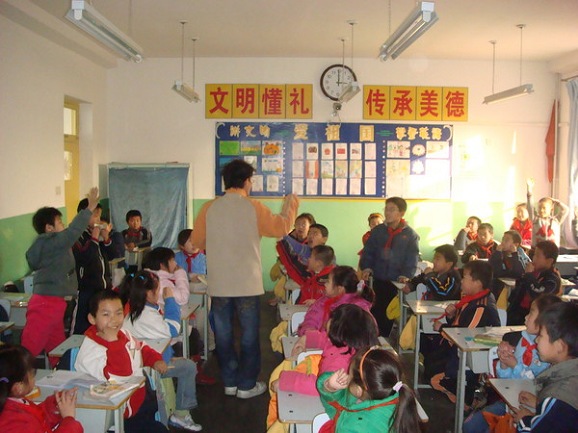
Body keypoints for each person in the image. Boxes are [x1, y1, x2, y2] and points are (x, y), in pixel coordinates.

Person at [192, 159, 299, 399]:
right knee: (249, 336)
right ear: (247, 181)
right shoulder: (254, 207)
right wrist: (290, 205)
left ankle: (229, 382)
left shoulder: (209, 208)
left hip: (219, 283)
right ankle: (246, 385)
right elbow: (282, 228)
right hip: (247, 284)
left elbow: (197, 241)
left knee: (224, 335)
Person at [266, 304, 379, 432]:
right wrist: (306, 340)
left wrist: (286, 381)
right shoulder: (347, 345)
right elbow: (325, 339)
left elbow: (317, 386)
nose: (328, 320)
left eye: (332, 318)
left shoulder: (340, 362)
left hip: (328, 408)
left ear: (339, 329)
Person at [20, 188, 98, 366]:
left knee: (57, 348)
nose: (64, 226)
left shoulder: (53, 244)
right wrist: (89, 209)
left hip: (55, 303)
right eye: (60, 222)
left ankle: (60, 372)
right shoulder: (51, 243)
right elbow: (73, 231)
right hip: (45, 304)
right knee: (29, 350)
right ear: (49, 228)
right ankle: (14, 377)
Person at [463, 294, 562, 433]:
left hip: (531, 409)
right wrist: (504, 363)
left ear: (544, 322)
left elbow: (533, 385)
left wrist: (515, 365)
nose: (525, 317)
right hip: (509, 402)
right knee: (470, 425)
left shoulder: (548, 354)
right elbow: (506, 381)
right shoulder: (522, 340)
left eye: (531, 314)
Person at [74, 290, 168, 433]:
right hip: (117, 415)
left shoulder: (123, 334)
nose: (114, 319)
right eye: (106, 314)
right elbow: (120, 376)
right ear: (92, 319)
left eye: (118, 313)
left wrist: (155, 360)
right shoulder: (90, 350)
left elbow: (141, 348)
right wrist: (113, 342)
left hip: (138, 401)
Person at [120, 271, 202, 432]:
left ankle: (179, 412)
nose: (159, 293)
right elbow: (173, 329)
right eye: (157, 290)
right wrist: (170, 299)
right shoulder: (145, 315)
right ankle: (181, 415)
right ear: (149, 294)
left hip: (149, 360)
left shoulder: (138, 309)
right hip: (147, 368)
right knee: (188, 367)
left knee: (181, 359)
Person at [428, 261, 501, 405]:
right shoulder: (471, 299)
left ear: (477, 283)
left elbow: (465, 336)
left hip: (470, 358)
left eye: (465, 277)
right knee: (430, 358)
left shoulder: (481, 306)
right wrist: (451, 316)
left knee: (433, 374)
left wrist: (442, 328)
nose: (461, 281)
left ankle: (467, 400)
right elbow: (460, 324)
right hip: (457, 350)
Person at [317, 348, 420, 433]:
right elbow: (342, 406)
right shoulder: (394, 396)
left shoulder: (354, 428)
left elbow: (340, 412)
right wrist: (329, 387)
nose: (347, 378)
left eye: (349, 376)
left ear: (358, 390)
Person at [513, 302, 578, 432]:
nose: (536, 340)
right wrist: (540, 404)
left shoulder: (558, 396)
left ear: (560, 346)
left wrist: (524, 419)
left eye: (541, 335)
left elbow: (533, 430)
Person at [360, 196, 420, 337]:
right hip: (377, 279)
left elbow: (412, 258)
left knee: (388, 314)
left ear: (401, 213)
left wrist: (406, 275)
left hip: (395, 282)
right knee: (373, 311)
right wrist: (366, 267)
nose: (387, 212)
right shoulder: (378, 231)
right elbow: (368, 251)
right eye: (386, 209)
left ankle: (383, 340)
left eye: (392, 209)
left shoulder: (410, 235)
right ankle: (373, 338)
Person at [0, 344, 82, 433]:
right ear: (18, 387)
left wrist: (55, 403)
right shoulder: (18, 423)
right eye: (32, 374)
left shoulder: (12, 403)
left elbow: (38, 418)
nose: (34, 378)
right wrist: (69, 420)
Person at [71, 197, 115, 335]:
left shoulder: (96, 235)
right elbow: (86, 258)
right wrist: (95, 237)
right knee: (81, 327)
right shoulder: (77, 236)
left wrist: (106, 238)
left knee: (99, 327)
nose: (98, 219)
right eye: (95, 215)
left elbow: (114, 255)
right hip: (86, 290)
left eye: (99, 215)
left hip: (102, 288)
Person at [294, 265, 374, 340]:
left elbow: (354, 338)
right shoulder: (323, 301)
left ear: (339, 289)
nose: (325, 284)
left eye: (328, 281)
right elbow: (310, 320)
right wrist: (309, 333)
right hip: (319, 346)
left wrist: (316, 339)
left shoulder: (358, 310)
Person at [507, 240, 561, 326]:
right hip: (517, 313)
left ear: (550, 261)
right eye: (534, 255)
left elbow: (537, 294)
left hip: (536, 319)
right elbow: (518, 291)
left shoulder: (552, 279)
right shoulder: (534, 272)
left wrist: (528, 275)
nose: (534, 258)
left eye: (538, 256)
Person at [526, 178, 569, 247]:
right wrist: (529, 189)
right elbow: (530, 207)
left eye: (544, 208)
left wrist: (557, 202)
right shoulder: (535, 220)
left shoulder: (556, 220)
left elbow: (566, 210)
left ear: (551, 209)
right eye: (539, 208)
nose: (541, 210)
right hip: (537, 250)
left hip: (552, 250)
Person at [489, 230, 530, 298]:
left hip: (515, 288)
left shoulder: (520, 256)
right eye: (503, 239)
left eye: (506, 240)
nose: (503, 242)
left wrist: (514, 255)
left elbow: (519, 273)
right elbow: (496, 272)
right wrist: (497, 253)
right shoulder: (498, 254)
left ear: (515, 245)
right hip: (498, 286)